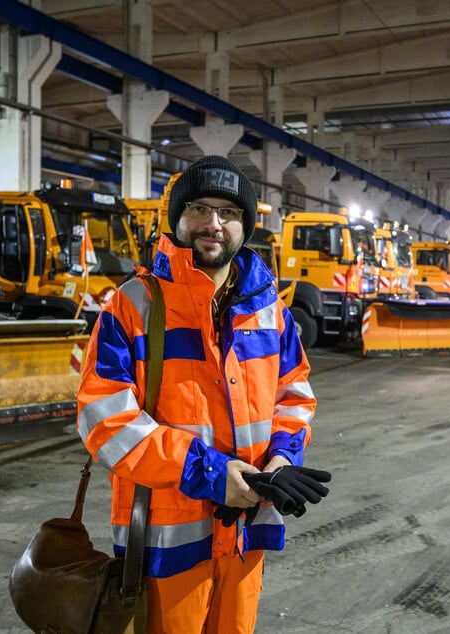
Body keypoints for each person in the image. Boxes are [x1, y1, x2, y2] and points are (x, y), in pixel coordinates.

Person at [76, 155, 322, 633]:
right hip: (165, 548)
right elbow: (104, 422)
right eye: (200, 208)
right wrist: (208, 472)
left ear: (244, 225)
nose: (214, 223)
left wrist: (281, 459)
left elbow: (293, 395)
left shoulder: (270, 311)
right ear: (178, 219)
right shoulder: (134, 306)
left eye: (229, 212)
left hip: (245, 537)